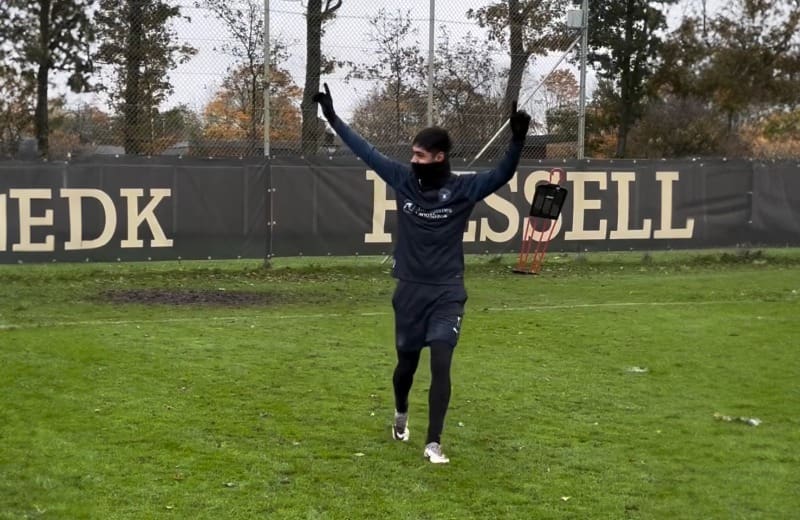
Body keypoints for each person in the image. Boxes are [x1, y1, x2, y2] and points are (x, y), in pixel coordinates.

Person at [313, 84, 530, 464]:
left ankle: (434, 442)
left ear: (439, 157)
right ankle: (400, 413)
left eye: (419, 154)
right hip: (410, 292)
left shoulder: (463, 189)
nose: (412, 158)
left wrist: (517, 140)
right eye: (412, 153)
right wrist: (331, 117)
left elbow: (502, 174)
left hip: (447, 292)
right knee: (406, 367)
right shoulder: (403, 180)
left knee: (442, 362)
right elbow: (365, 150)